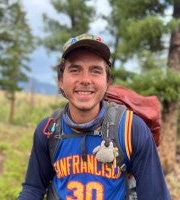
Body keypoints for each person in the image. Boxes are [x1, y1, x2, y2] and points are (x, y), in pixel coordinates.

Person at [18, 33, 171, 200]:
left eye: (95, 71)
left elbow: (156, 196)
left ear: (107, 82)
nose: (85, 80)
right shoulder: (48, 130)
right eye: (75, 70)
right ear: (61, 81)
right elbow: (33, 188)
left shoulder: (131, 129)